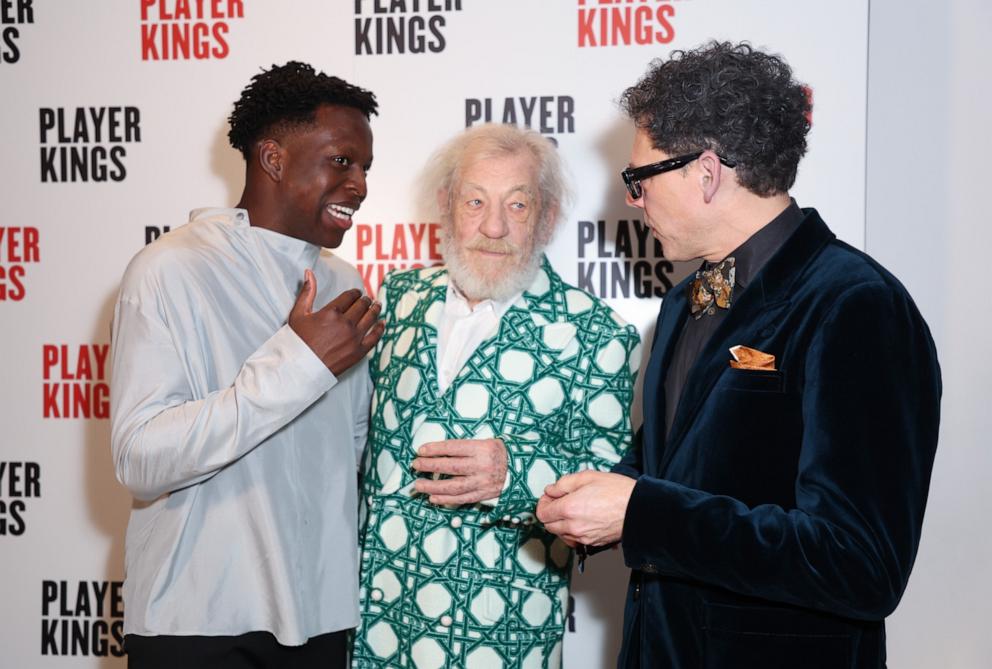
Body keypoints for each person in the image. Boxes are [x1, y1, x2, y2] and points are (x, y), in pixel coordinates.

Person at [536, 41, 942, 669]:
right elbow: (660, 473)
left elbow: (860, 564)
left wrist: (644, 514)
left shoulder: (855, 303)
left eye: (639, 179)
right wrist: (565, 492)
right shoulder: (680, 305)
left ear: (706, 171)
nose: (631, 202)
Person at [110, 61, 383, 669]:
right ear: (273, 158)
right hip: (198, 620)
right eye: (342, 161)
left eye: (366, 167)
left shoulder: (344, 280)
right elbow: (140, 459)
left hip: (319, 616)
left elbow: (352, 450)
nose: (360, 185)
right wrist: (299, 363)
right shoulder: (169, 269)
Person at [350, 124, 641, 668]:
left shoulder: (596, 335)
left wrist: (516, 475)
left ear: (548, 218)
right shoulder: (398, 299)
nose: (493, 226)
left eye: (518, 206)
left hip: (499, 638)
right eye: (475, 201)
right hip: (377, 629)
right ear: (446, 206)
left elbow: (612, 492)